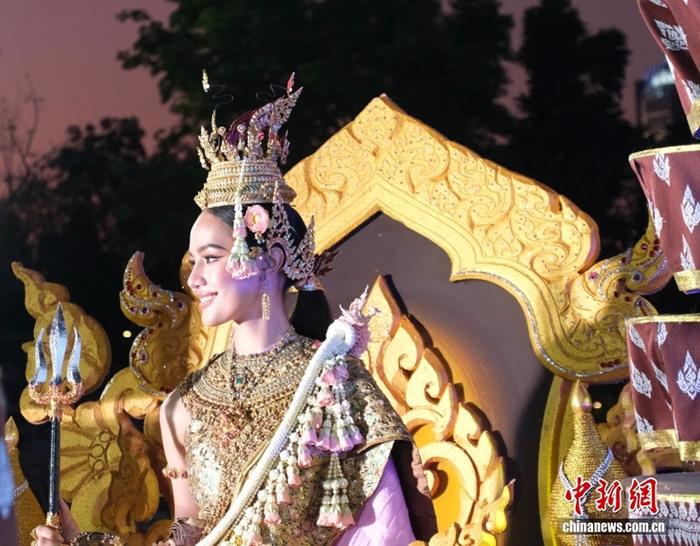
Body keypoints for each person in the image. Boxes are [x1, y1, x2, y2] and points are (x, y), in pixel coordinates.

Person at [33, 77, 436, 546]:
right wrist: (82, 543)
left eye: (211, 257)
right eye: (194, 262)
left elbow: (381, 533)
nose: (194, 279)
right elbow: (189, 534)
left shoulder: (334, 385)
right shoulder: (184, 404)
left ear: (271, 258)